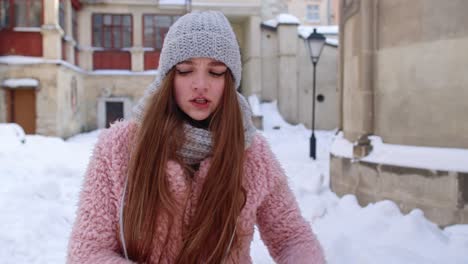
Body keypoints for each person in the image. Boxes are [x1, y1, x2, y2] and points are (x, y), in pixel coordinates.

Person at [67, 10, 325, 264]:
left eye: (215, 72)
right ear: (167, 77)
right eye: (185, 70)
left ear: (230, 81)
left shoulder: (252, 154)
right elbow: (87, 252)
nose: (200, 84)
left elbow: (293, 238)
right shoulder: (117, 147)